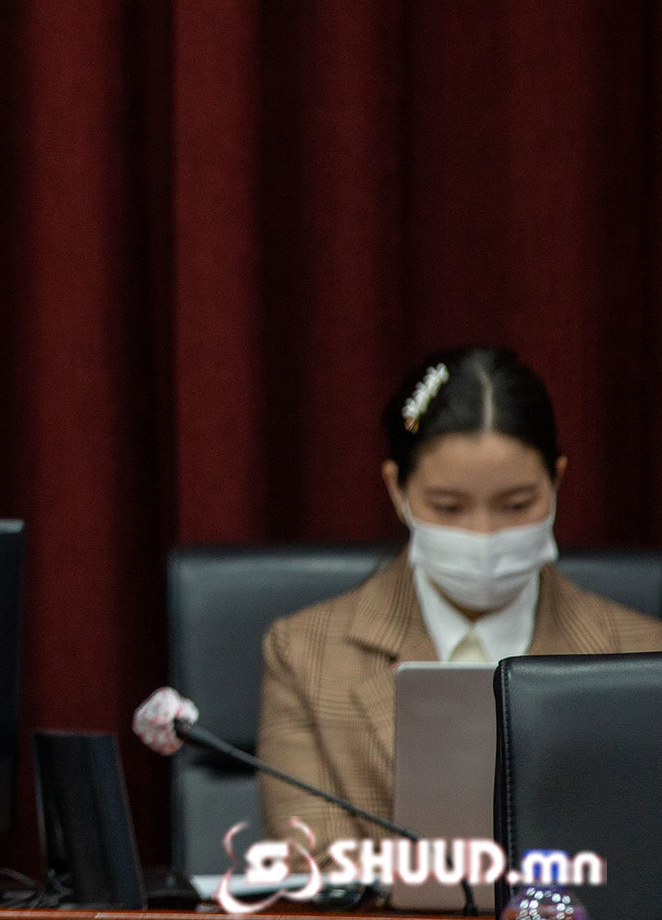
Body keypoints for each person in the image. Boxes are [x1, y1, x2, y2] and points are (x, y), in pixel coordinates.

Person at [257, 345, 662, 848]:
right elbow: (314, 862)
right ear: (398, 490)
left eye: (516, 504)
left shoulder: (645, 656)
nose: (483, 535)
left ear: (556, 481)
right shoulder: (306, 656)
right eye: (448, 507)